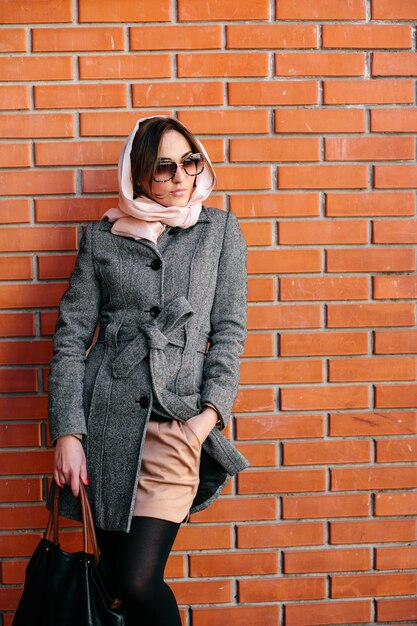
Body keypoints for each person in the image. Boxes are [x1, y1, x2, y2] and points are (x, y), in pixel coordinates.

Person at [48, 115, 248, 625]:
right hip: (108, 424)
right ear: (138, 176)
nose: (181, 176)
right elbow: (71, 339)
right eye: (164, 167)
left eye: (189, 161)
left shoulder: (219, 229)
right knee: (115, 581)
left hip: (176, 423)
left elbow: (228, 330)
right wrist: (68, 432)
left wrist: (207, 417)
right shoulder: (102, 238)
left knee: (138, 582)